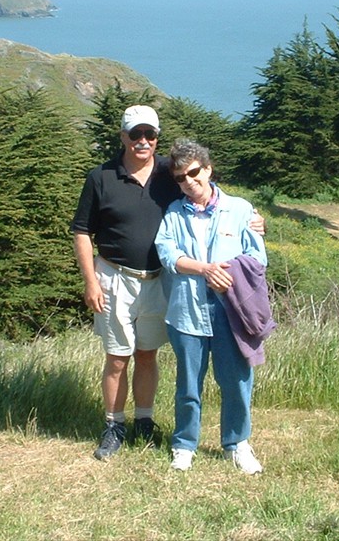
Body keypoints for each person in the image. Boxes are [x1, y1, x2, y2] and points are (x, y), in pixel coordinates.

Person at [72, 106, 265, 461]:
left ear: (157, 138)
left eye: (150, 135)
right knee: (117, 357)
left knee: (147, 355)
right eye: (135, 135)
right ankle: (114, 426)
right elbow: (82, 231)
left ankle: (144, 422)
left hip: (161, 283)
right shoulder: (101, 177)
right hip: (114, 277)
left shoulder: (167, 172)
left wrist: (252, 218)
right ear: (123, 137)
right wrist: (91, 282)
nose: (143, 141)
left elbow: (207, 189)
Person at [154, 138, 269, 474]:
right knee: (188, 384)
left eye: (193, 173)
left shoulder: (241, 209)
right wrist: (204, 270)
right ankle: (184, 444)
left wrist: (226, 272)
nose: (188, 182)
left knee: (236, 381)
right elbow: (168, 255)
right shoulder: (173, 214)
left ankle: (237, 444)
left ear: (208, 169)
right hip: (186, 312)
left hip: (230, 311)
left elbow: (258, 257)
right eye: (179, 178)